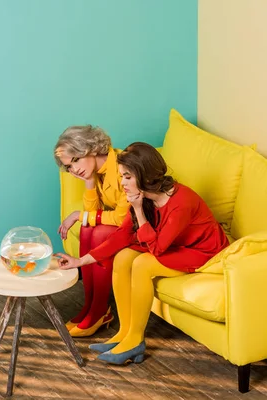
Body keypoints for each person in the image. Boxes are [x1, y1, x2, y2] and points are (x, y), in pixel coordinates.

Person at [54, 142, 229, 364]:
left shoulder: (180, 202)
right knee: (123, 255)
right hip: (173, 244)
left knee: (143, 264)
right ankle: (124, 334)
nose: (123, 183)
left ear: (144, 176)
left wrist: (137, 209)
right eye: (121, 176)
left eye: (127, 177)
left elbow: (156, 249)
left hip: (203, 251)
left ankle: (135, 340)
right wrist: (80, 261)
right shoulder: (143, 196)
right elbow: (121, 236)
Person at [54, 125, 129, 337]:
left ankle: (98, 310)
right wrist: (89, 182)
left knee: (97, 231)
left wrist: (79, 215)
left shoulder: (124, 166)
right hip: (123, 224)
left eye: (76, 160)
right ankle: (91, 306)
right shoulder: (98, 172)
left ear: (91, 148)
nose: (74, 169)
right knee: (88, 229)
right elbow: (93, 213)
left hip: (141, 226)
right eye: (69, 166)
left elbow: (123, 218)